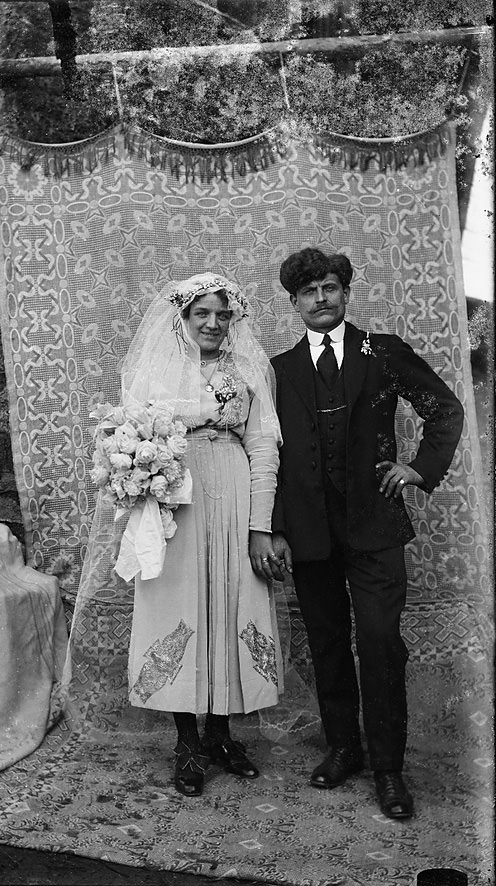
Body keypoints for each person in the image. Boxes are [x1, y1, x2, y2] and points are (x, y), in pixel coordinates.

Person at [257, 247, 464, 820]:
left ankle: (389, 770)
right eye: (307, 293)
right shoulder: (279, 370)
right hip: (310, 533)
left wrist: (417, 469)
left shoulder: (383, 351)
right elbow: (265, 456)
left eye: (328, 288)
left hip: (375, 529)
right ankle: (343, 747)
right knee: (325, 644)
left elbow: (444, 410)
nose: (320, 300)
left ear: (345, 293)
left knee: (378, 643)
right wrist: (273, 530)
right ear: (293, 303)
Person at [116, 272, 285, 797]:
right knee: (181, 606)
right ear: (183, 319)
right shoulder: (156, 374)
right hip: (177, 497)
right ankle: (187, 741)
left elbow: (263, 451)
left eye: (222, 315)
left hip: (234, 492)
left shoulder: (248, 371)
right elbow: (132, 432)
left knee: (230, 603)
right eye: (201, 314)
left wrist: (260, 527)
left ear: (232, 321)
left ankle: (221, 736)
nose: (212, 324)